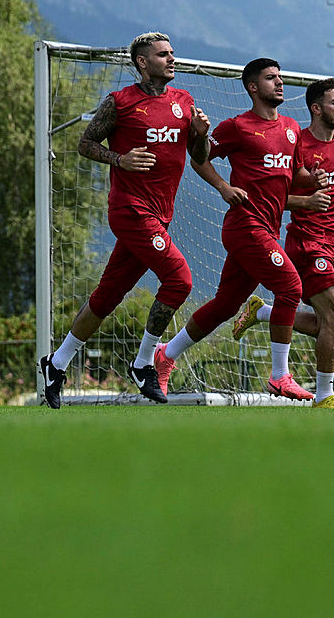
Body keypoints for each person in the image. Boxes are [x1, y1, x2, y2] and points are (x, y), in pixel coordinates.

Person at [38, 32, 210, 408]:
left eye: (172, 53)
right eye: (163, 55)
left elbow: (199, 154)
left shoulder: (185, 102)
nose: (172, 59)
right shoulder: (120, 102)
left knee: (108, 296)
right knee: (180, 279)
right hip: (130, 210)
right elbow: (85, 144)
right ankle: (144, 361)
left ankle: (57, 363)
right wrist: (121, 159)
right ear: (143, 62)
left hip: (160, 216)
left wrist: (200, 135)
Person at [155, 58, 327, 401]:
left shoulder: (292, 128)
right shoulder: (237, 127)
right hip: (245, 227)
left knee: (226, 305)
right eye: (270, 78)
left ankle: (165, 355)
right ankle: (280, 376)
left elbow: (290, 175)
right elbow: (198, 157)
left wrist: (312, 178)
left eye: (280, 78)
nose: (279, 83)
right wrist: (222, 186)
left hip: (268, 229)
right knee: (290, 286)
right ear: (252, 87)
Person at [230, 78, 334, 408]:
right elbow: (273, 196)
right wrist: (307, 203)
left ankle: (262, 312)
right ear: (316, 108)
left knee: (326, 325)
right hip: (306, 242)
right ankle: (325, 397)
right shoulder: (295, 143)